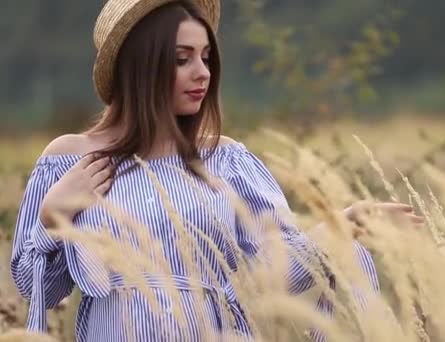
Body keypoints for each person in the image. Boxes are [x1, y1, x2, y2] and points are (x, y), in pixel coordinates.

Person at [10, 0, 420, 340]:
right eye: (181, 59)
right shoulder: (71, 160)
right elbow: (37, 292)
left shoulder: (227, 161)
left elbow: (270, 275)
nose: (202, 72)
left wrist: (339, 228)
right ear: (141, 65)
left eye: (206, 57)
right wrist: (52, 217)